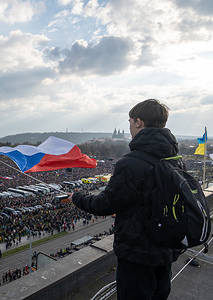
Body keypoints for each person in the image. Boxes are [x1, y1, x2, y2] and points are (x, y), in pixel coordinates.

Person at [69, 99, 180, 300]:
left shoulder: (131, 163)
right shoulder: (175, 158)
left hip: (137, 254)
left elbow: (103, 204)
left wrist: (76, 197)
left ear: (138, 122)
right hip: (165, 249)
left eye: (129, 122)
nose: (129, 127)